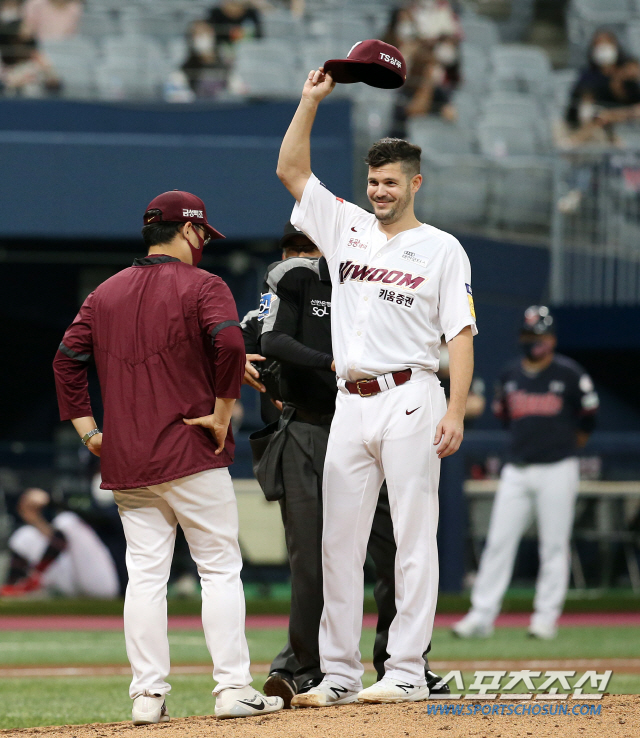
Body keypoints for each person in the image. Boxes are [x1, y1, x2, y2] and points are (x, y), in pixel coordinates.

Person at [276, 64, 477, 706]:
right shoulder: (347, 227)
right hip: (351, 403)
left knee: (414, 539)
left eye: (390, 182)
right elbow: (291, 171)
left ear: (415, 183)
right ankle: (338, 673)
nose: (379, 191)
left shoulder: (442, 249)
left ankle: (407, 670)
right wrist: (310, 101)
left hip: (414, 395)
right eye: (373, 181)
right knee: (340, 539)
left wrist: (459, 412)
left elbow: (461, 336)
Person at [52, 190, 283, 724]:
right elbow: (227, 344)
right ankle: (231, 689)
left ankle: (146, 698)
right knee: (220, 569)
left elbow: (65, 362)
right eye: (202, 232)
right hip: (189, 450)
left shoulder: (105, 293)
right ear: (188, 230)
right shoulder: (204, 284)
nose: (203, 242)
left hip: (128, 461)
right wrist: (225, 407)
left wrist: (90, 435)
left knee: (146, 577)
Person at [244, 224, 450, 707]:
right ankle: (304, 666)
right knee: (314, 554)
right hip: (310, 425)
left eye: (307, 246)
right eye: (291, 249)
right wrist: (233, 356)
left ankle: (402, 662)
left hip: (376, 422)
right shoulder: (290, 283)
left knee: (395, 546)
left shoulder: (376, 283)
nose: (296, 256)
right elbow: (256, 336)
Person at [453, 306, 599, 641]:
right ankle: (481, 615)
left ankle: (545, 618)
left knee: (554, 546)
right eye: (531, 335)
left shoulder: (570, 373)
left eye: (542, 336)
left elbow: (588, 417)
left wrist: (567, 444)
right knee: (498, 544)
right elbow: (505, 416)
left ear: (553, 338)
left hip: (558, 468)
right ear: (521, 337)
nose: (536, 342)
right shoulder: (509, 375)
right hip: (517, 468)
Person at [1, 488, 119, 599]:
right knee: (25, 534)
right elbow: (59, 540)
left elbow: (91, 518)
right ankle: (16, 585)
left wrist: (50, 500)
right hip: (74, 580)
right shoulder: (93, 502)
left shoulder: (122, 510)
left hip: (104, 584)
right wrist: (34, 518)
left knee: (67, 520)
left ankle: (35, 578)